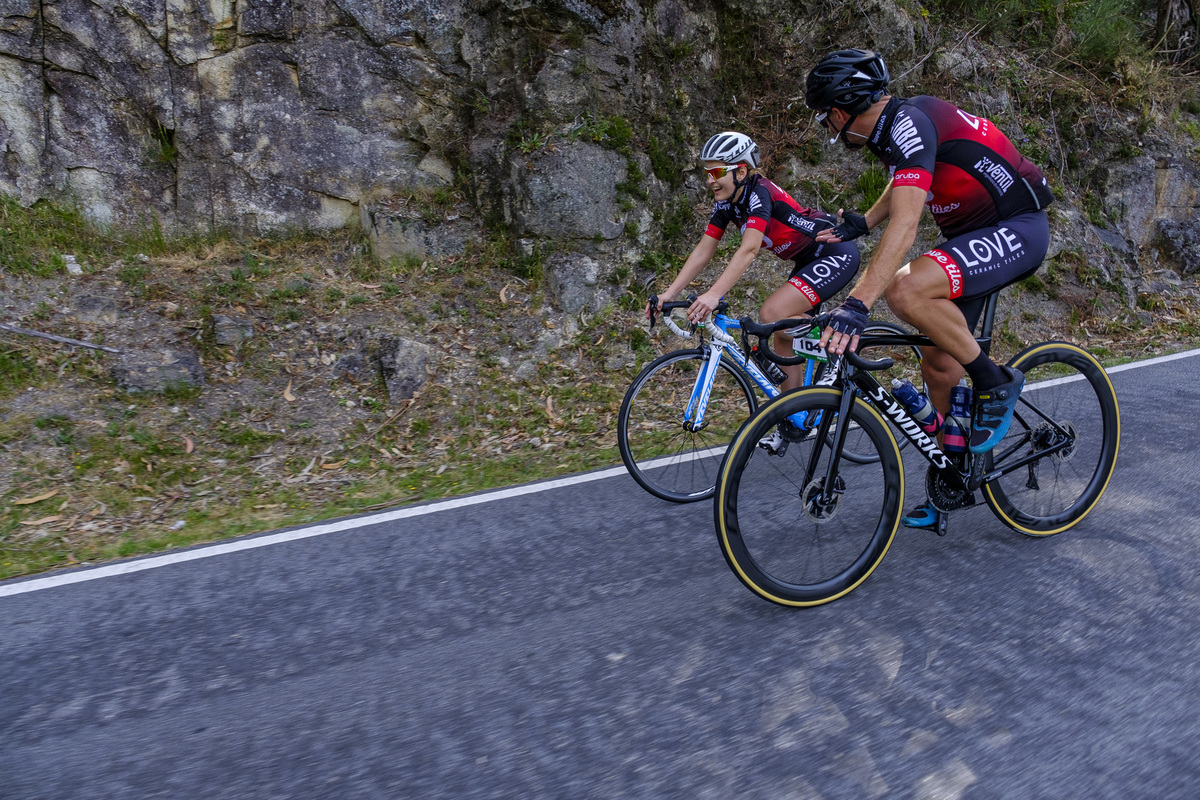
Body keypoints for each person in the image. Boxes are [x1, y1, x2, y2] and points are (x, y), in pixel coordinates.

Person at [804, 48, 1054, 529]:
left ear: (841, 109)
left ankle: (995, 382)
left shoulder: (909, 123)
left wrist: (857, 303)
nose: (828, 127)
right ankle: (954, 480)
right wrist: (864, 221)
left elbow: (907, 223)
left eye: (825, 116)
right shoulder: (895, 126)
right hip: (974, 237)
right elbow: (905, 183)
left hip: (1017, 226)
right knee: (940, 365)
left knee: (905, 290)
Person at [647, 131, 862, 451]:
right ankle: (795, 416)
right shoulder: (728, 204)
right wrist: (668, 293)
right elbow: (704, 250)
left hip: (834, 252)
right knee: (782, 332)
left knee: (772, 313)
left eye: (717, 172)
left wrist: (713, 295)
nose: (710, 180)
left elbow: (748, 250)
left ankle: (840, 342)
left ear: (741, 171)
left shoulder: (760, 193)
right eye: (707, 173)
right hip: (807, 259)